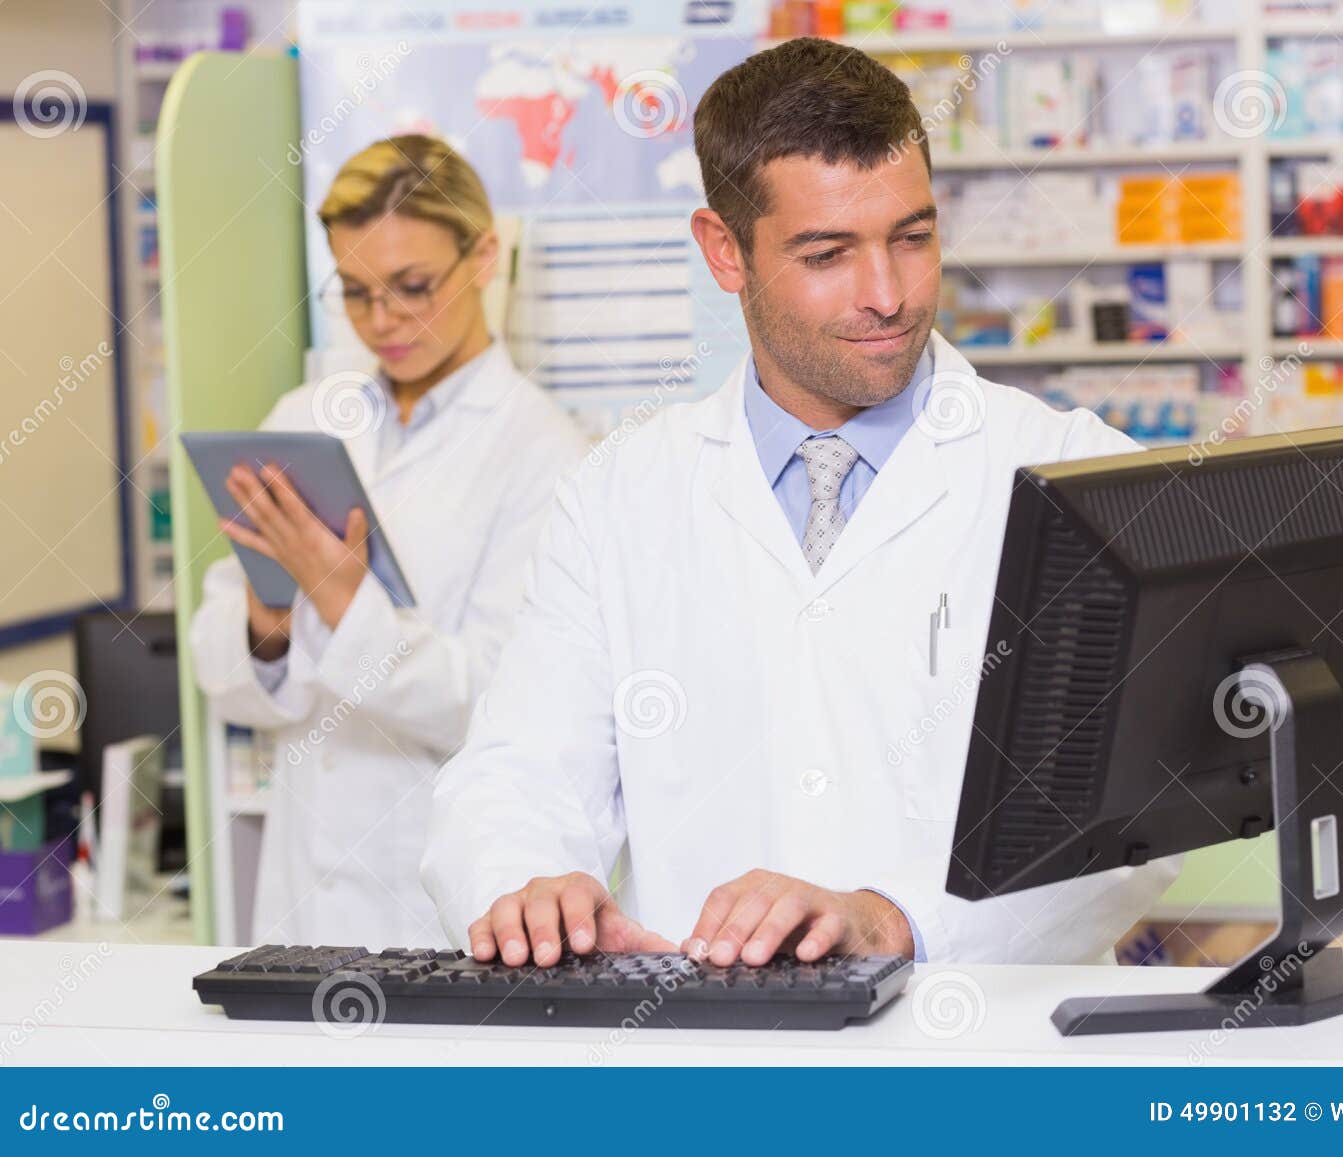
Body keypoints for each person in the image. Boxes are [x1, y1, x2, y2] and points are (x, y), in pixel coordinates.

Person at [422, 40, 1179, 967]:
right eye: (827, 253)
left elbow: (1134, 817)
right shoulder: (620, 496)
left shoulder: (1072, 473)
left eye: (913, 236)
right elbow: (515, 775)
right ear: (723, 251)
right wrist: (529, 887)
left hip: (987, 1062)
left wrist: (896, 920)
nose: (888, 295)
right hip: (716, 1063)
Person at [189, 136, 586, 946]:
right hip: (302, 892)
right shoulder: (302, 421)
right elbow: (221, 676)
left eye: (412, 287)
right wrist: (271, 610)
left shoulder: (546, 453)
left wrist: (339, 597)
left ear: (483, 255)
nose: (383, 321)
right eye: (357, 292)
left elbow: (498, 705)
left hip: (442, 904)